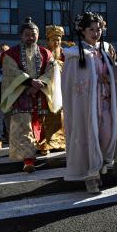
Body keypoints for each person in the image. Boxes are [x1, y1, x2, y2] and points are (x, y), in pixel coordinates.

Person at [62, 12, 117, 194]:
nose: (96, 33)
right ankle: (91, 176)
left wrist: (112, 76)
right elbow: (72, 83)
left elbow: (112, 70)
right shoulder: (74, 54)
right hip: (87, 105)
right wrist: (96, 79)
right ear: (82, 31)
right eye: (91, 29)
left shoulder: (105, 50)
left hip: (105, 102)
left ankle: (99, 165)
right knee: (89, 137)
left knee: (108, 135)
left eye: (99, 29)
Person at [0, 17, 61, 173]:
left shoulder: (45, 52)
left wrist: (40, 83)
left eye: (33, 35)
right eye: (27, 35)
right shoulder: (10, 54)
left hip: (40, 94)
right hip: (21, 94)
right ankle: (28, 160)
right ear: (21, 35)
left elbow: (52, 69)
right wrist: (29, 83)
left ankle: (38, 149)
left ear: (38, 35)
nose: (30, 38)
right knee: (23, 127)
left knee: (39, 125)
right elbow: (11, 71)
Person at [40, 25, 66, 153]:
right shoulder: (44, 53)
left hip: (63, 88)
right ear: (48, 41)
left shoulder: (65, 53)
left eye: (58, 39)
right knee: (47, 115)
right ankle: (46, 142)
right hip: (48, 89)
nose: (56, 42)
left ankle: (61, 142)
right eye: (53, 39)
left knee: (62, 115)